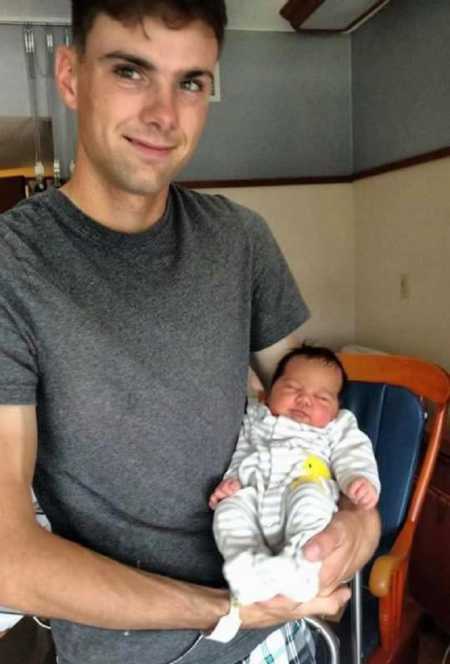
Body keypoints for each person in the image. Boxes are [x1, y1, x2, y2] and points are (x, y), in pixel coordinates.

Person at [0, 1, 380, 663]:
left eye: (191, 82)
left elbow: (312, 410)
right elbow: (7, 554)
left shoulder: (240, 240)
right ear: (69, 76)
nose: (164, 116)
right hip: (136, 651)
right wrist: (227, 608)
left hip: (282, 633)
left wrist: (358, 528)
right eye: (129, 71)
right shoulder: (14, 265)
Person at [210, 345, 380, 605]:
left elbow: (353, 452)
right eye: (292, 388)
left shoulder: (337, 427)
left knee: (310, 499)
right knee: (228, 512)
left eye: (322, 398)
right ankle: (249, 567)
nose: (305, 400)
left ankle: (300, 567)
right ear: (270, 392)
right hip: (255, 495)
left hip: (302, 486)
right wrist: (232, 482)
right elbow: (241, 453)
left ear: (336, 409)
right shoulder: (255, 417)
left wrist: (357, 478)